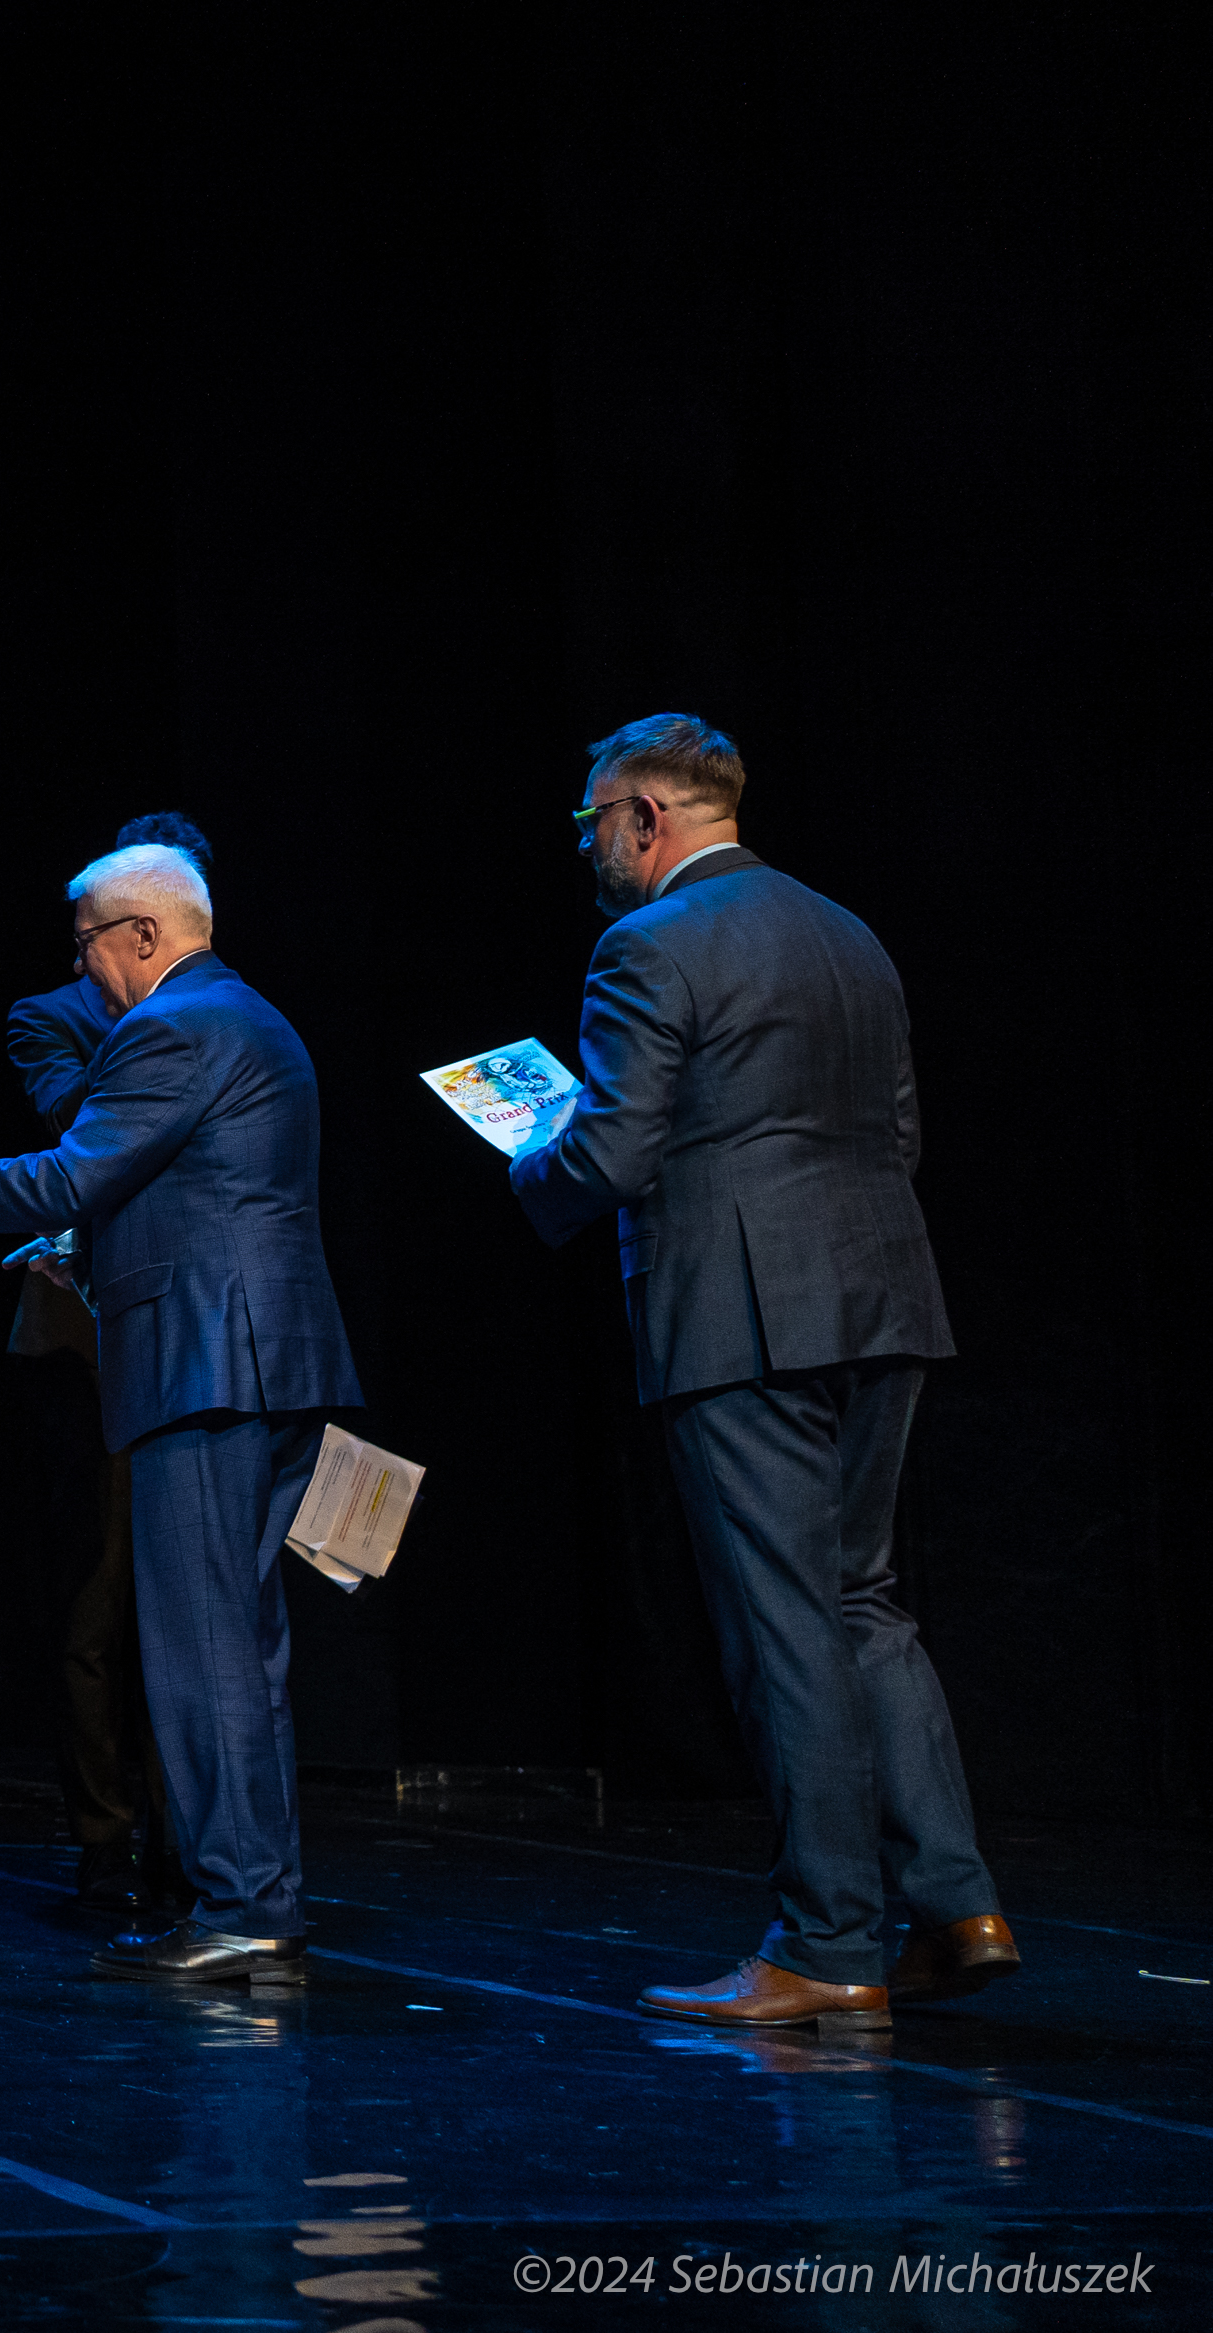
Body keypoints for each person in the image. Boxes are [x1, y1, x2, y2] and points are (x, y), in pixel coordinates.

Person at [512, 714, 1004, 2029]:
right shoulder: (852, 934)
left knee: (790, 1625)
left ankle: (832, 1941)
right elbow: (899, 1132)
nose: (591, 849)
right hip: (885, 1298)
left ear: (646, 820)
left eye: (591, 824)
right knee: (863, 1606)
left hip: (739, 1317)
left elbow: (609, 1157)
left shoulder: (646, 944)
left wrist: (526, 1163)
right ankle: (959, 1905)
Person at [0, 843, 359, 1983]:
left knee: (201, 1650)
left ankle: (240, 1906)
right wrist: (89, 1251)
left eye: (84, 942)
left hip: (203, 1364)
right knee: (243, 1647)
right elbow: (194, 1196)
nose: (80, 971)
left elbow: (65, 1173)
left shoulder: (168, 1026)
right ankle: (256, 1897)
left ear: (141, 933)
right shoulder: (247, 1015)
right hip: (257, 1358)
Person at [3, 811, 212, 1921]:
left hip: (183, 1333)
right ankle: (101, 1840)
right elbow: (79, 1135)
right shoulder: (58, 1018)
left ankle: (191, 1844)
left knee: (190, 1600)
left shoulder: (211, 1014)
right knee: (93, 1602)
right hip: (83, 1340)